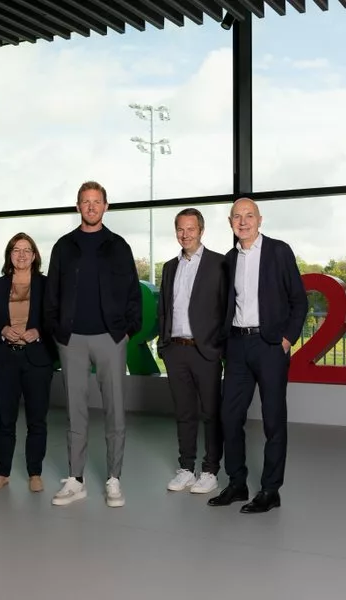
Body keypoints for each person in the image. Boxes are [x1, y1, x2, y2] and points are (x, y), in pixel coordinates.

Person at [44, 180, 141, 508]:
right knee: (75, 412)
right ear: (78, 206)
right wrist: (57, 331)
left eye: (96, 201)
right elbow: (51, 294)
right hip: (71, 340)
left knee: (115, 411)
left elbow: (132, 293)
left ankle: (114, 478)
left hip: (110, 338)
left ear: (105, 206)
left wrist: (127, 330)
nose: (91, 206)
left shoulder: (118, 246)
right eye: (85, 201)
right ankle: (76, 479)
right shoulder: (64, 246)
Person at [207, 198, 307, 514]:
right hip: (237, 346)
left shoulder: (279, 251)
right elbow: (224, 306)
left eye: (249, 215)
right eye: (238, 216)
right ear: (230, 222)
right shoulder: (228, 260)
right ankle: (237, 484)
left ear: (260, 220)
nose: (244, 221)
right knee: (229, 417)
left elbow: (299, 301)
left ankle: (270, 490)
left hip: (269, 346)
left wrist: (287, 339)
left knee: (273, 420)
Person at [0, 233, 56, 494]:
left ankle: (35, 473)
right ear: (9, 255)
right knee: (5, 419)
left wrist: (40, 332)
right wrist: (1, 330)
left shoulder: (46, 285)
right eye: (16, 250)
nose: (21, 255)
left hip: (37, 359)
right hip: (5, 359)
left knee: (37, 420)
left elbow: (56, 319)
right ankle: (2, 473)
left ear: (34, 256)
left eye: (26, 250)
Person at [157, 208, 228, 495]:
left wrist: (218, 347)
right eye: (180, 229)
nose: (185, 235)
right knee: (184, 413)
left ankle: (210, 469)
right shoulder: (169, 267)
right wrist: (164, 346)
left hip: (205, 352)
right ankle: (186, 468)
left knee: (212, 413)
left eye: (191, 229)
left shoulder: (219, 264)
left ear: (201, 230)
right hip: (176, 350)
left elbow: (225, 309)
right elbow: (164, 309)